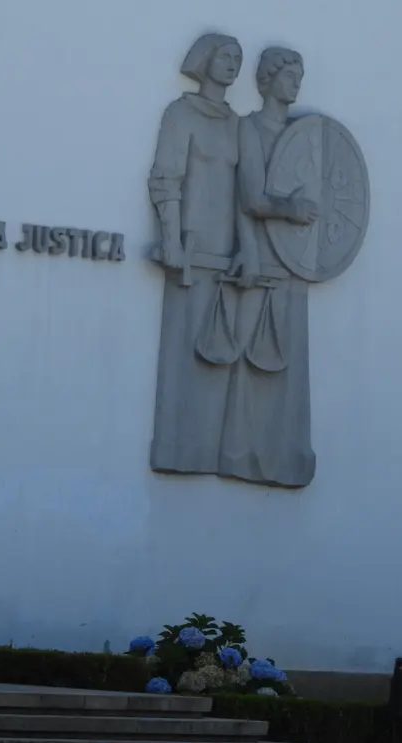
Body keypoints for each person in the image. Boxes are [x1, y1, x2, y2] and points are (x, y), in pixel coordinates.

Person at [148, 32, 247, 477]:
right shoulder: (181, 113)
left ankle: (213, 453)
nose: (232, 64)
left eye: (238, 58)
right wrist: (170, 241)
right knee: (182, 362)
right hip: (189, 255)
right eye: (225, 55)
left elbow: (245, 195)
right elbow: (166, 179)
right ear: (204, 61)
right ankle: (176, 451)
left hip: (227, 260)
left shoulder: (237, 124)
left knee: (220, 360)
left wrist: (248, 248)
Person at [227, 46, 319, 487]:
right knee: (245, 356)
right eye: (288, 75)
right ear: (267, 80)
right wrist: (289, 208)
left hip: (294, 265)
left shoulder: (305, 135)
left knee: (286, 362)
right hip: (259, 259)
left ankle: (283, 454)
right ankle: (240, 451)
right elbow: (250, 199)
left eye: (300, 76)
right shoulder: (249, 128)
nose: (296, 83)